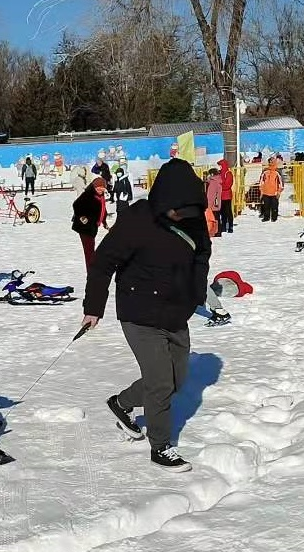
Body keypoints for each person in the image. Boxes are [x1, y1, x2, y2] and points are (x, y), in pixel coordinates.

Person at [83, 158, 211, 471]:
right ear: (164, 200)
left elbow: (202, 257)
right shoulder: (137, 220)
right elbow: (103, 263)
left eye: (187, 209)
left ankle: (122, 403)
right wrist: (93, 308)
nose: (181, 215)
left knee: (176, 380)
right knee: (160, 383)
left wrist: (195, 295)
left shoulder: (193, 221)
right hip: (138, 312)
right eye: (176, 209)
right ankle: (161, 446)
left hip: (175, 313)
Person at [72, 178, 109, 271]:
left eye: (102, 188)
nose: (100, 190)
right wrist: (82, 217)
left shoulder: (101, 196)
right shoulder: (88, 194)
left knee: (90, 249)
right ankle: (91, 272)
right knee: (89, 250)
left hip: (92, 226)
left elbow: (103, 210)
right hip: (84, 227)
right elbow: (76, 205)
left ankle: (92, 269)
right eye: (98, 188)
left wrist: (104, 222)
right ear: (94, 187)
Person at [217, 159, 234, 234]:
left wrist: (220, 186)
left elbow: (228, 185)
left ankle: (230, 226)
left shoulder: (228, 173)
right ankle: (223, 226)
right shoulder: (220, 173)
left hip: (227, 196)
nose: (219, 167)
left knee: (228, 211)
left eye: (220, 166)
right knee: (222, 212)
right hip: (221, 195)